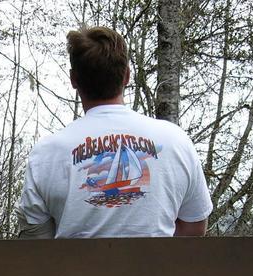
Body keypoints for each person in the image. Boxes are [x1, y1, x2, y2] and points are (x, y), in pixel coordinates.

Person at [16, 26, 213, 239]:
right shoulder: (176, 141)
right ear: (127, 76)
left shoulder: (46, 154)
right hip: (156, 272)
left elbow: (37, 244)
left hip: (76, 272)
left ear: (73, 79)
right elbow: (193, 230)